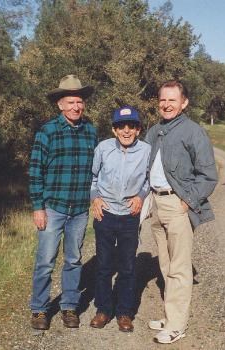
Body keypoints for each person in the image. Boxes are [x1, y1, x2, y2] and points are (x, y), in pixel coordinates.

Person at [145, 80, 218, 344]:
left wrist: (188, 201)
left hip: (177, 205)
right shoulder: (154, 131)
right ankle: (169, 316)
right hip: (156, 204)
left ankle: (177, 325)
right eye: (163, 100)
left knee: (179, 267)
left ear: (184, 103)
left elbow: (208, 175)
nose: (166, 105)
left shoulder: (193, 132)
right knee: (165, 264)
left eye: (172, 100)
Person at [28, 74, 98, 330]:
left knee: (74, 259)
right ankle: (39, 309)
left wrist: (96, 198)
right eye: (70, 102)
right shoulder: (47, 132)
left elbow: (96, 171)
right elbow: (36, 171)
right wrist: (38, 207)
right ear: (60, 104)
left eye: (79, 102)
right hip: (53, 208)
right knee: (45, 260)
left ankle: (70, 306)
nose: (75, 107)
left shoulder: (90, 132)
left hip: (79, 210)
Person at [89, 106, 151, 332]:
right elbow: (93, 178)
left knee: (127, 266)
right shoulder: (103, 148)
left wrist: (141, 196)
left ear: (138, 129)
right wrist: (94, 198)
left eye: (131, 126)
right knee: (104, 265)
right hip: (105, 214)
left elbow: (148, 180)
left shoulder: (146, 151)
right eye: (121, 126)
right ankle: (103, 309)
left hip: (129, 216)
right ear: (114, 130)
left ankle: (125, 312)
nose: (126, 131)